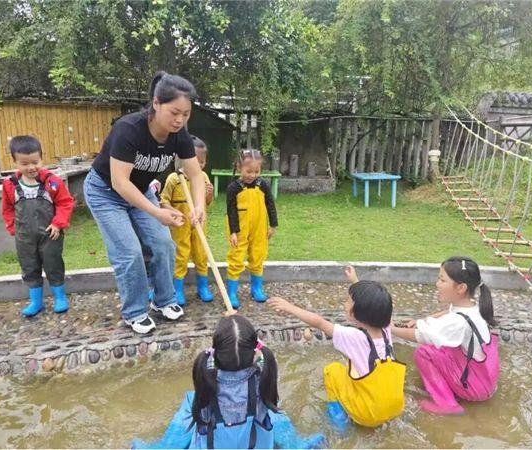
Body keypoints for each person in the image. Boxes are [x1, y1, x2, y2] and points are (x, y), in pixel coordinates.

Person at [84, 71, 206, 334]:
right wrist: (156, 211)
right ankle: (135, 311)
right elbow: (120, 182)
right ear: (156, 103)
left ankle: (164, 300)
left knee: (163, 244)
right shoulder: (129, 129)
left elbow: (195, 174)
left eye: (186, 114)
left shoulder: (180, 135)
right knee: (129, 252)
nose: (179, 119)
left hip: (139, 190)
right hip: (106, 192)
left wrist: (199, 206)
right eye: (174, 112)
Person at [131, 315, 325, 449]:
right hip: (255, 444)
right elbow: (263, 354)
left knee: (191, 401)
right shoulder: (263, 379)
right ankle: (295, 444)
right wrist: (241, 335)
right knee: (271, 404)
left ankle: (165, 447)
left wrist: (232, 334)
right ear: (255, 352)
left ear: (215, 353)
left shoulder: (205, 380)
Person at [268, 266, 405, 430]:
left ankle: (338, 421)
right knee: (355, 370)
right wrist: (355, 281)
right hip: (395, 408)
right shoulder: (387, 330)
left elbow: (319, 322)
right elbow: (373, 305)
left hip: (367, 415)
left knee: (332, 371)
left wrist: (289, 307)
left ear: (357, 312)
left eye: (348, 301)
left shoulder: (354, 337)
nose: (345, 303)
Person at [392, 256, 499, 415]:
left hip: (474, 389)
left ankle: (447, 404)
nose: (437, 284)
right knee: (440, 346)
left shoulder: (458, 322)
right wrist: (421, 321)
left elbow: (420, 335)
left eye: (442, 280)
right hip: (486, 380)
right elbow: (447, 313)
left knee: (424, 352)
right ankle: (454, 391)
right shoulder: (473, 307)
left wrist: (390, 328)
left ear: (461, 288)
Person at [1, 135, 75, 317]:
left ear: (41, 158)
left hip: (51, 234)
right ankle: (36, 301)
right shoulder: (10, 185)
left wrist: (58, 224)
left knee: (53, 264)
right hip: (24, 236)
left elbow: (65, 203)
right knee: (29, 266)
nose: (31, 167)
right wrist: (12, 227)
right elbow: (7, 208)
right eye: (24, 163)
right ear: (15, 162)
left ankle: (60, 297)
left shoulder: (52, 182)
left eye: (35, 161)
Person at [160, 136, 214, 305]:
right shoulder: (173, 179)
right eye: (196, 162)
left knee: (201, 254)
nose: (200, 166)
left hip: (199, 225)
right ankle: (178, 289)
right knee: (180, 256)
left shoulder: (203, 177)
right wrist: (173, 211)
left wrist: (209, 193)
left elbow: (207, 203)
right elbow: (163, 201)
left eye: (203, 162)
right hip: (180, 226)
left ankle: (202, 287)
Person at [225, 149, 277, 308]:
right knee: (236, 257)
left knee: (258, 255)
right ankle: (231, 292)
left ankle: (256, 289)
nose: (252, 175)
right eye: (248, 171)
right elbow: (231, 210)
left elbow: (270, 204)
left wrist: (273, 224)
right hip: (239, 229)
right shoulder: (234, 187)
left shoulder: (263, 185)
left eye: (256, 171)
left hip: (259, 228)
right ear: (239, 167)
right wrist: (233, 231)